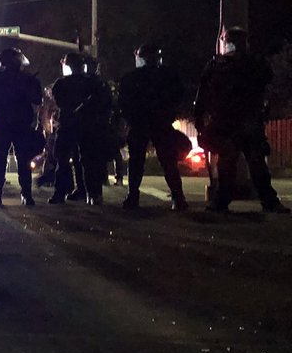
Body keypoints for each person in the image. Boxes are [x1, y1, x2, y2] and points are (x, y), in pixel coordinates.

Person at [194, 26, 289, 213]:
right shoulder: (254, 63)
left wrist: (199, 117)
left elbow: (203, 95)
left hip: (231, 121)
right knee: (252, 162)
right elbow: (268, 90)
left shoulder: (219, 65)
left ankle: (223, 201)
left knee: (232, 163)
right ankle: (267, 201)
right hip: (245, 120)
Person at [118, 43, 188, 211]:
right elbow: (178, 96)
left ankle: (133, 197)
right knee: (168, 161)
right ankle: (178, 197)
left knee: (137, 162)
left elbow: (123, 103)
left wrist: (130, 119)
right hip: (159, 122)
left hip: (142, 123)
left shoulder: (132, 77)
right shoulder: (168, 76)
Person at [0, 48, 44, 207]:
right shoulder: (27, 80)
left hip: (2, 126)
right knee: (23, 160)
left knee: (0, 161)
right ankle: (26, 195)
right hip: (20, 125)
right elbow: (37, 100)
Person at [49, 52, 114, 205]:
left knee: (68, 159)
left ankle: (68, 192)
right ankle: (89, 192)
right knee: (83, 160)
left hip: (76, 125)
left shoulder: (65, 83)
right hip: (84, 125)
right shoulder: (91, 83)